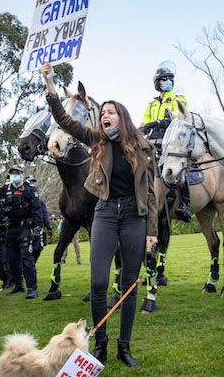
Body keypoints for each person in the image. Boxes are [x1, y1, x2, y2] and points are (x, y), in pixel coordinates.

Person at [44, 63, 157, 368]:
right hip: (105, 215)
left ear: (122, 117)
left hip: (134, 217)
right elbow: (65, 120)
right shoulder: (97, 141)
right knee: (98, 284)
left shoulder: (144, 148)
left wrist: (152, 230)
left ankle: (124, 347)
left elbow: (150, 194)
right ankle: (102, 346)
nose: (104, 115)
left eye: (110, 112)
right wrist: (51, 85)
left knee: (130, 283)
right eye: (102, 112)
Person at [141, 60, 192, 222]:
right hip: (151, 142)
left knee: (174, 167)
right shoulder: (151, 105)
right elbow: (144, 124)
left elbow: (182, 119)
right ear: (157, 83)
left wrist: (161, 123)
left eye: (170, 79)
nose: (168, 82)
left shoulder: (179, 99)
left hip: (170, 142)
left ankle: (185, 204)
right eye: (164, 79)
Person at [0, 165, 44, 299]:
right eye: (12, 173)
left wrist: (37, 228)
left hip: (25, 227)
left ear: (22, 175)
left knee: (26, 258)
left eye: (17, 173)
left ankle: (32, 288)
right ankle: (18, 285)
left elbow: (37, 209)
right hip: (10, 228)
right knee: (12, 259)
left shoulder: (30, 190)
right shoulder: (5, 189)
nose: (14, 176)